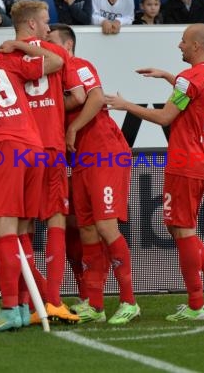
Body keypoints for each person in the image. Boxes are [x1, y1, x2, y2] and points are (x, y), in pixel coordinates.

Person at [105, 24, 204, 322]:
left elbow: (165, 116)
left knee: (182, 229)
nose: (179, 46)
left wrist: (126, 105)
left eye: (184, 41)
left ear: (197, 46)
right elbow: (194, 94)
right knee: (178, 227)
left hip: (185, 162)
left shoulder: (191, 77)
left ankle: (196, 304)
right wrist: (167, 76)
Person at [0, 34, 66, 333]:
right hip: (35, 149)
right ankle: (22, 307)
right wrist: (20, 45)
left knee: (3, 230)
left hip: (3, 150)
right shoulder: (8, 60)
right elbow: (57, 61)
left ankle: (9, 309)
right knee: (22, 231)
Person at [48, 23, 140, 325]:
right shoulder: (53, 81)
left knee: (105, 227)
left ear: (68, 46)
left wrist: (72, 127)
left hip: (106, 153)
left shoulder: (78, 65)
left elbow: (98, 98)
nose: (45, 47)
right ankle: (95, 304)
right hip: (83, 160)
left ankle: (129, 301)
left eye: (51, 42)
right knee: (87, 229)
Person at [9, 0, 85, 324]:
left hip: (19, 150)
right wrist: (54, 106)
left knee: (22, 225)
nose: (49, 27)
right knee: (55, 220)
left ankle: (27, 304)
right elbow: (80, 96)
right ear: (31, 25)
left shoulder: (5, 55)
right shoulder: (56, 53)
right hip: (50, 147)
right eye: (45, 21)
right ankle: (52, 301)